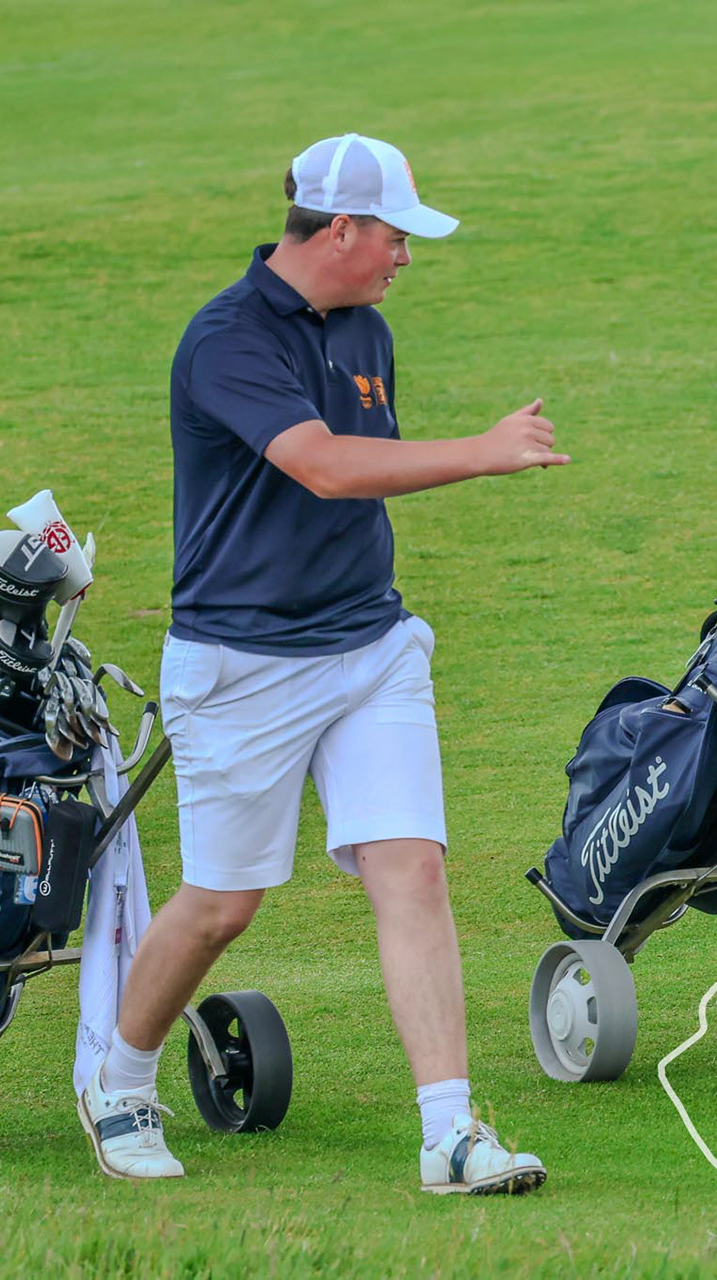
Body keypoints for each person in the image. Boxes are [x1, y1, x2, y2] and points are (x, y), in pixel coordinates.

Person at [77, 133, 567, 1194]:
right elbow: (326, 467)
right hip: (240, 665)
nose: (404, 254)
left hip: (370, 647)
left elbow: (356, 465)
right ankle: (118, 1077)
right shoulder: (227, 339)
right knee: (223, 902)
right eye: (394, 234)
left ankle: (451, 1132)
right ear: (339, 228)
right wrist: (482, 451)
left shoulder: (369, 330)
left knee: (413, 864)